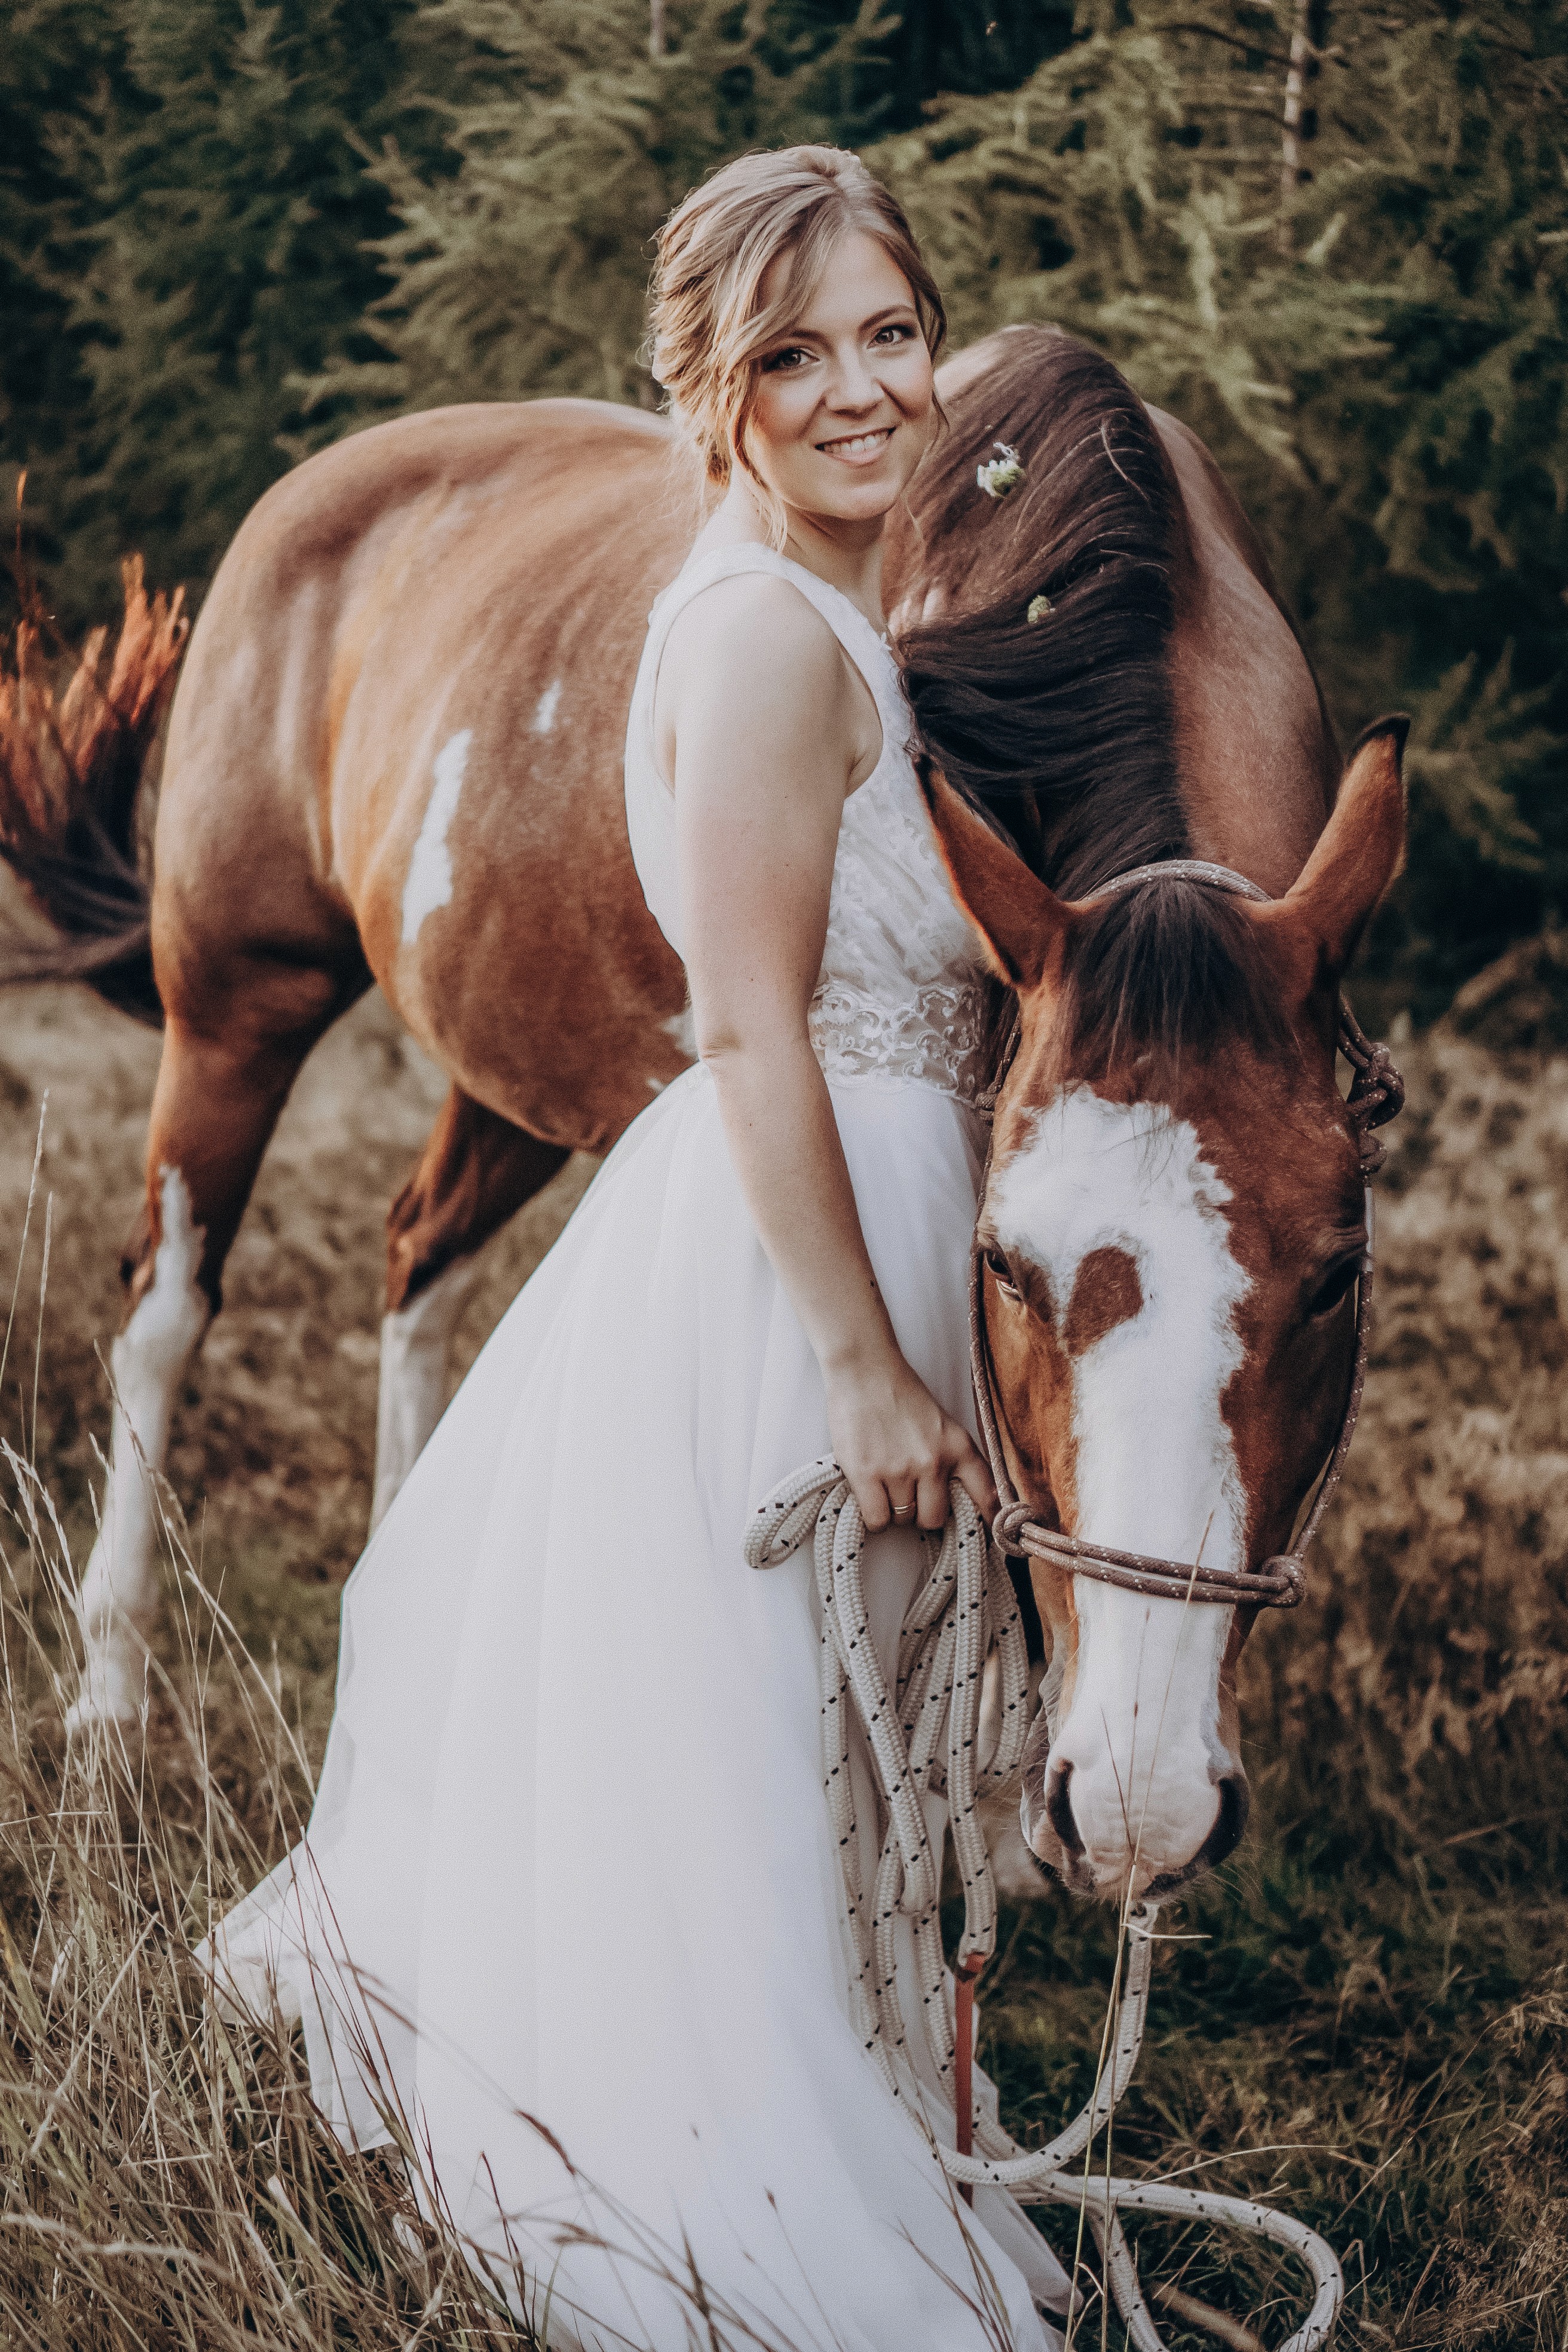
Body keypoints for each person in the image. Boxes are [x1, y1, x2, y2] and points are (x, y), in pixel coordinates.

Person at [204, 145, 1070, 2351]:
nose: (867, 391)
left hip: (842, 1202)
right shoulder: (776, 642)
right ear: (712, 390)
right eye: (798, 356)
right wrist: (869, 1367)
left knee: (815, 1738)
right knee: (801, 1732)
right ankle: (762, 2185)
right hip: (813, 1232)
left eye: (894, 333)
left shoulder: (812, 603)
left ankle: (870, 2093)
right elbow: (757, 1021)